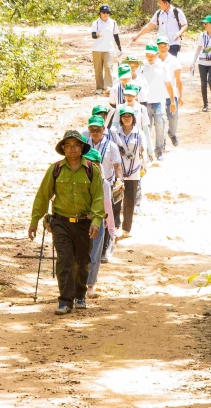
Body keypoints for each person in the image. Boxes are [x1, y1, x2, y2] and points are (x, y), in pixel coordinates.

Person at [28, 130, 105, 315]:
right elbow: (43, 195)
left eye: (76, 145)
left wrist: (96, 221)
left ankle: (80, 295)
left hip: (84, 223)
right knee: (65, 259)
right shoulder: (55, 169)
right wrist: (34, 221)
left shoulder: (91, 170)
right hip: (61, 222)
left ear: (82, 148)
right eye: (68, 145)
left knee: (83, 261)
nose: (72, 149)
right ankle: (65, 300)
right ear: (63, 148)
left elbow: (98, 198)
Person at [84, 117, 120, 298]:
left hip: (98, 222)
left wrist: (111, 229)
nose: (92, 167)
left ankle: (90, 286)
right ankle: (78, 284)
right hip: (80, 220)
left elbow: (108, 207)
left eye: (95, 165)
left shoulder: (104, 184)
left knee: (95, 255)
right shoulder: (79, 180)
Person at [110, 106, 146, 242]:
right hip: (118, 171)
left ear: (133, 118)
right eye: (124, 116)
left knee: (130, 200)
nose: (126, 119)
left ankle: (127, 229)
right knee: (117, 199)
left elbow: (143, 149)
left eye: (129, 116)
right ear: (120, 118)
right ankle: (116, 226)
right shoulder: (115, 133)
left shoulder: (139, 133)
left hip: (134, 171)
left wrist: (145, 162)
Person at [140, 44, 175, 159]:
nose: (150, 57)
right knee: (147, 128)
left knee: (160, 125)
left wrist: (172, 101)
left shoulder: (163, 67)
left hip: (159, 101)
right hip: (145, 102)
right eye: (148, 55)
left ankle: (159, 150)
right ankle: (148, 152)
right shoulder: (142, 67)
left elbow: (169, 84)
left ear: (157, 54)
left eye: (152, 55)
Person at [190, 15, 211, 112]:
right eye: (204, 23)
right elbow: (199, 49)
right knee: (203, 83)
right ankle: (205, 104)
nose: (204, 25)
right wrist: (193, 62)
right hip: (202, 62)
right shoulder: (202, 35)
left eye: (206, 23)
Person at [156, 37, 183, 146]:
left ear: (168, 46)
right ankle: (162, 142)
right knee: (160, 121)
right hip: (157, 95)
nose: (162, 49)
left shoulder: (174, 60)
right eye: (160, 47)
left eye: (164, 46)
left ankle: (172, 133)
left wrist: (181, 95)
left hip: (171, 95)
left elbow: (178, 80)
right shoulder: (154, 59)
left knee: (173, 120)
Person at [90, 4, 121, 93]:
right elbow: (93, 35)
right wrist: (97, 35)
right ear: (100, 13)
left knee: (108, 67)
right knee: (98, 69)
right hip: (97, 49)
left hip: (109, 48)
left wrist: (119, 47)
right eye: (104, 12)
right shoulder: (95, 23)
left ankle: (108, 87)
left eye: (107, 12)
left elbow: (116, 35)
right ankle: (99, 87)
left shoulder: (113, 22)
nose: (105, 14)